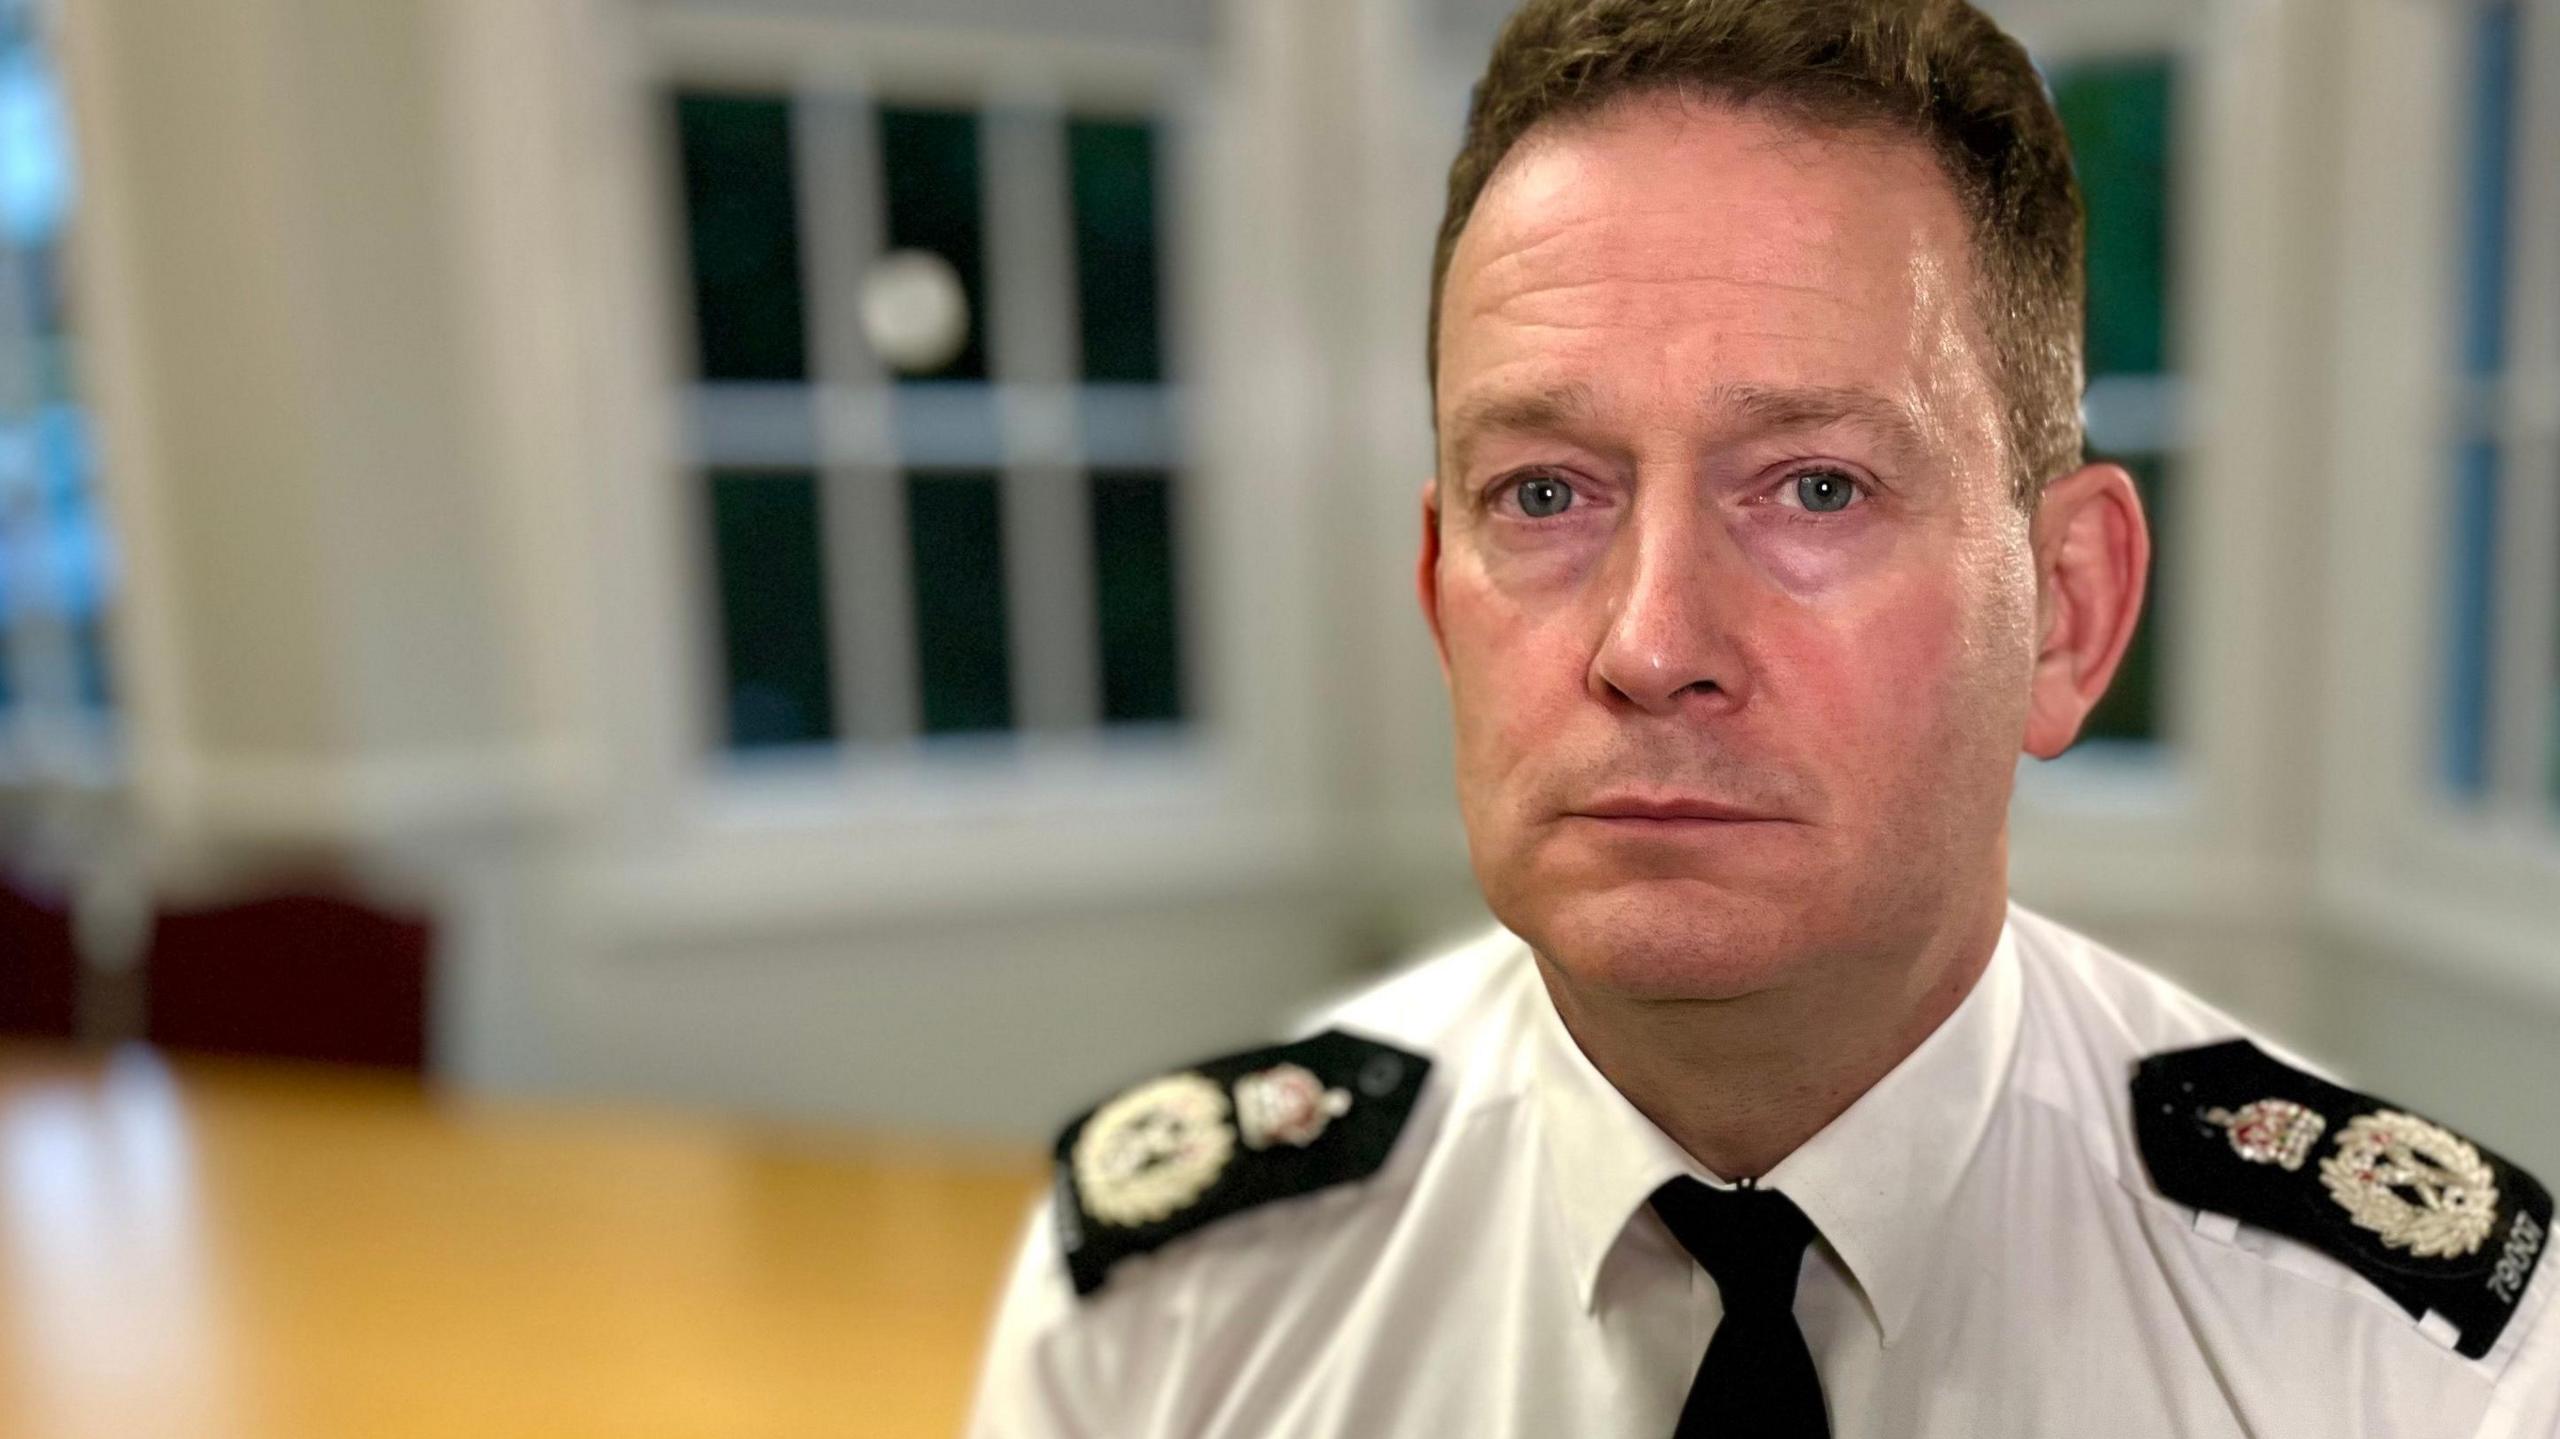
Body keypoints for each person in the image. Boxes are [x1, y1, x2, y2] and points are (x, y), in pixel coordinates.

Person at [966, 0, 2559, 1433]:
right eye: (1543, 491)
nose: (1652, 646)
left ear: (2067, 610)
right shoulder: (1174, 1311)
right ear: (1442, 590)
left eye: (1816, 487)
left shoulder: (2419, 1369)